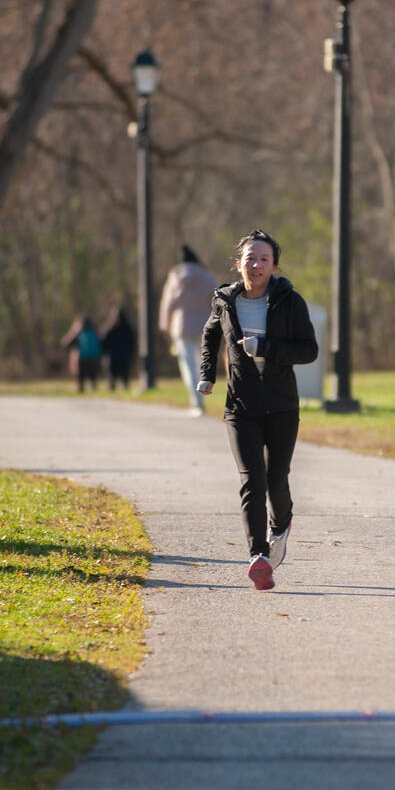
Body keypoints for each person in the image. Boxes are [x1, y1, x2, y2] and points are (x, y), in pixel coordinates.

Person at [197, 229, 318, 590]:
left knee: (277, 480)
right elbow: (209, 335)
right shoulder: (224, 300)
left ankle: (280, 526)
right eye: (250, 257)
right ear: (240, 264)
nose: (256, 263)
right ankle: (258, 557)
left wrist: (264, 347)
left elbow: (308, 350)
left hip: (281, 405)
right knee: (252, 480)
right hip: (241, 405)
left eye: (264, 258)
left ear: (274, 266)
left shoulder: (290, 302)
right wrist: (207, 375)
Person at [159, 245, 216, 415]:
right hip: (206, 326)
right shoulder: (207, 277)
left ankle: (197, 403)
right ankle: (203, 396)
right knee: (203, 364)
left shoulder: (175, 279)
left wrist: (164, 326)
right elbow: (217, 300)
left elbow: (167, 304)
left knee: (188, 366)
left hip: (181, 327)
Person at [60, 315, 102, 393]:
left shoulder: (79, 333)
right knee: (93, 379)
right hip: (95, 359)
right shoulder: (95, 332)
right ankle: (94, 391)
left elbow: (65, 344)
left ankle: (81, 390)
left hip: (83, 360)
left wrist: (72, 331)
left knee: (81, 379)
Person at [100, 306, 135, 390]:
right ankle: (124, 389)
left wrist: (104, 353)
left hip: (112, 357)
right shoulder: (128, 328)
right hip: (124, 356)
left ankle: (112, 390)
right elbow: (132, 343)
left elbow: (103, 342)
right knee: (124, 377)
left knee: (112, 378)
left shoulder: (109, 328)